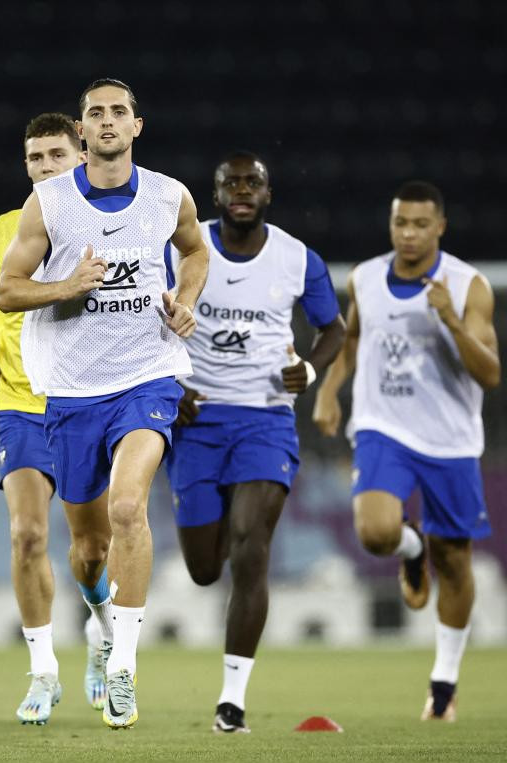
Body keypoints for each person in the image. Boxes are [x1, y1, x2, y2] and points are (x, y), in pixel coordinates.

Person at [0, 78, 209, 729]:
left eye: (120, 112)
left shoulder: (169, 195)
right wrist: (66, 286)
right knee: (87, 547)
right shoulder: (49, 204)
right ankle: (97, 624)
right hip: (71, 389)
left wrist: (188, 300)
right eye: (97, 113)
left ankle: (122, 669)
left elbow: (196, 250)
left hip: (149, 376)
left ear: (137, 126)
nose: (109, 121)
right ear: (82, 131)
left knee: (127, 507)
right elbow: (6, 289)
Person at [165, 152, 346, 733]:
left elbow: (334, 328)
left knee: (251, 545)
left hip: (265, 419)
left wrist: (311, 375)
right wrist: (171, 385)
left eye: (254, 182)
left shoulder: (298, 259)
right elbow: (141, 317)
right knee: (202, 569)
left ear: (269, 193)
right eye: (231, 183)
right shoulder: (181, 250)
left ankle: (232, 701)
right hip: (196, 421)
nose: (242, 190)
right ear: (215, 196)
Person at [313, 180, 500, 722]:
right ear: (391, 225)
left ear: (440, 226)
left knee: (456, 561)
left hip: (449, 441)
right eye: (401, 223)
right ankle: (410, 548)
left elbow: (490, 373)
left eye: (421, 224)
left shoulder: (469, 287)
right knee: (374, 531)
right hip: (382, 427)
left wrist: (450, 320)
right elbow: (352, 340)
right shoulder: (366, 278)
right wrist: (329, 391)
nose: (409, 234)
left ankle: (443, 684)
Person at [0, 112, 107, 725]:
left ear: (80, 155)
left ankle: (103, 631)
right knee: (27, 534)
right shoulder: (4, 229)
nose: (45, 167)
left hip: (86, 399)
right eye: (35, 158)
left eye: (56, 155)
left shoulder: (109, 225)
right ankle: (43, 671)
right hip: (21, 403)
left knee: (91, 548)